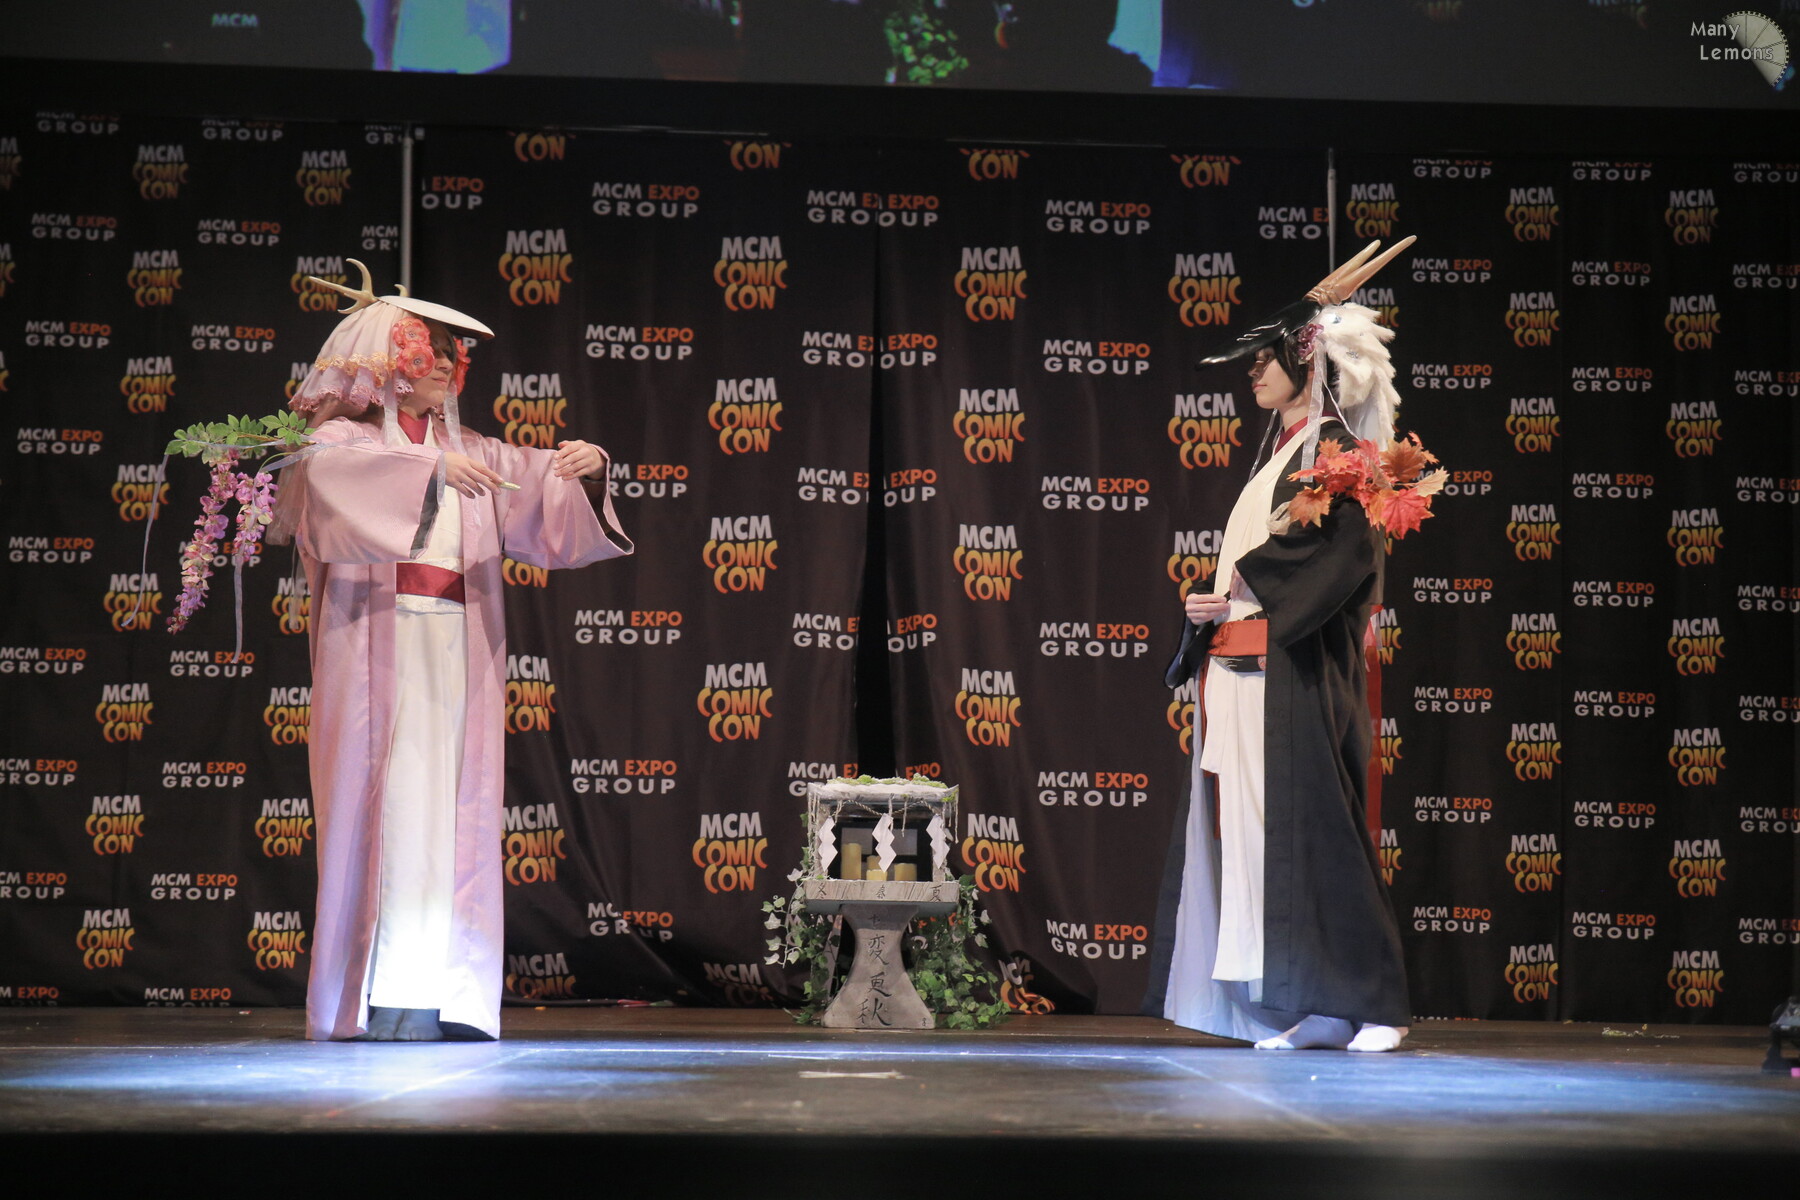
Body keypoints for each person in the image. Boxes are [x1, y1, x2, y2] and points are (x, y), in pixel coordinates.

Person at [278, 262, 632, 1041]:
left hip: (454, 651)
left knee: (444, 814)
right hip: (375, 648)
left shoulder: (471, 447)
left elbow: (539, 493)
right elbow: (333, 482)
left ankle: (435, 993)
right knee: (385, 809)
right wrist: (430, 468)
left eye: (450, 353)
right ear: (388, 360)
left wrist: (585, 469)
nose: (444, 364)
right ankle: (373, 996)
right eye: (429, 349)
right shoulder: (341, 441)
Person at [1156, 240, 1415, 1052]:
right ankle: (1312, 1003)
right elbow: (1254, 567)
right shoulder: (1278, 456)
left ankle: (1371, 1003)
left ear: (1308, 360)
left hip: (1292, 672)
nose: (1253, 371)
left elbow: (1343, 555)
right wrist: (1211, 607)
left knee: (1318, 835)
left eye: (1266, 357)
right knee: (1263, 844)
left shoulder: (1336, 456)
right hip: (1243, 670)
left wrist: (1249, 584)